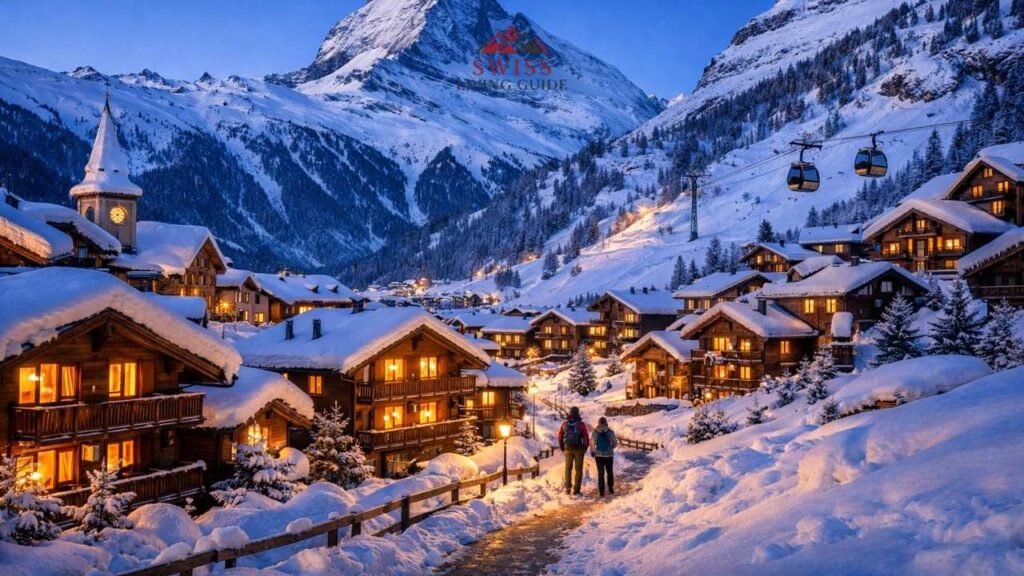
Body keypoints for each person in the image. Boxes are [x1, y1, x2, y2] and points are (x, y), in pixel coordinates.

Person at [558, 406, 589, 495]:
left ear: (570, 413)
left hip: (567, 449)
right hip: (579, 449)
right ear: (578, 413)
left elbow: (560, 435)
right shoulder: (581, 424)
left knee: (568, 469)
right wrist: (584, 448)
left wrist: (562, 447)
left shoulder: (565, 424)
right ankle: (576, 490)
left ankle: (568, 488)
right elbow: (586, 437)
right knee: (578, 470)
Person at [590, 417, 617, 496]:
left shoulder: (595, 432)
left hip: (599, 456)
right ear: (606, 422)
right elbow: (615, 443)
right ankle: (611, 488)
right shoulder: (610, 432)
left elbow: (592, 443)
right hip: (609, 455)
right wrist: (611, 448)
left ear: (598, 423)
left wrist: (592, 451)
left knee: (600, 473)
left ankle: (601, 492)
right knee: (609, 472)